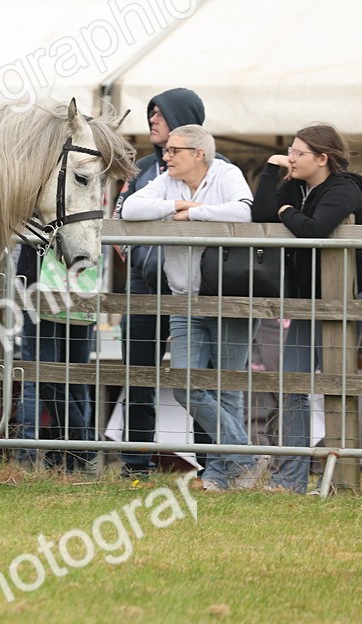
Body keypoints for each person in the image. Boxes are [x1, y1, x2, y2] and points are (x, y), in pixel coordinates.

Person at [122, 125, 264, 491]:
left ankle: (219, 476)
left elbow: (244, 212)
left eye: (174, 151)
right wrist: (177, 206)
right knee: (185, 385)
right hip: (183, 299)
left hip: (229, 299)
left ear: (198, 154)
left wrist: (196, 215)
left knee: (227, 388)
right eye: (167, 151)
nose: (166, 156)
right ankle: (245, 457)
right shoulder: (167, 181)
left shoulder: (226, 173)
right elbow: (131, 207)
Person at [251, 123, 362, 493]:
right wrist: (271, 171)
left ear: (322, 158)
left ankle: (340, 478)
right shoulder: (296, 186)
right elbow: (260, 215)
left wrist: (286, 210)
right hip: (309, 301)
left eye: (297, 152)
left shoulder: (344, 188)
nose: (290, 157)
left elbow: (315, 229)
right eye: (290, 150)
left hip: (346, 298)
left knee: (335, 383)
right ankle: (289, 480)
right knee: (293, 383)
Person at [111, 88, 216, 478]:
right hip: (143, 287)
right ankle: (136, 464)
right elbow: (120, 218)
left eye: (160, 113)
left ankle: (212, 467)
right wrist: (139, 257)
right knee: (139, 377)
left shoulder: (218, 167)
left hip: (199, 289)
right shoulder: (142, 168)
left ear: (183, 117)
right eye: (150, 112)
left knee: (201, 381)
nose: (152, 119)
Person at [12, 245, 97, 474]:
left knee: (75, 381)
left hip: (81, 286)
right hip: (38, 286)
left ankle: (64, 460)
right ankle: (84, 447)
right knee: (46, 377)